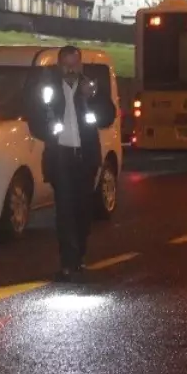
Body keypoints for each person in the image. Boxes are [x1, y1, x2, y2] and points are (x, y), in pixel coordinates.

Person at [29, 45, 116, 280]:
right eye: (66, 65)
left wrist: (94, 97)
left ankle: (79, 256)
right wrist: (49, 130)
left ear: (81, 65)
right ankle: (69, 262)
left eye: (75, 64)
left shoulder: (89, 87)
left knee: (83, 211)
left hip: (85, 157)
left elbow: (109, 116)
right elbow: (35, 119)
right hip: (61, 157)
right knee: (65, 209)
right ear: (59, 66)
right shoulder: (49, 90)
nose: (71, 69)